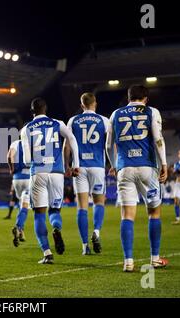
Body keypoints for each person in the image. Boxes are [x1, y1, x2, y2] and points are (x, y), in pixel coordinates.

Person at [106, 85, 169, 272]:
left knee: (127, 215)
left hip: (125, 168)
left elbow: (109, 145)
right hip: (147, 168)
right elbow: (158, 139)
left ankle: (128, 262)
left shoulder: (116, 113)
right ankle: (155, 258)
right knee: (154, 213)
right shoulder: (152, 111)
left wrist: (114, 164)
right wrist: (164, 164)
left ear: (128, 98)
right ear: (146, 98)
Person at [21, 97, 80, 264]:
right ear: (46, 109)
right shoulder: (58, 123)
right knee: (54, 211)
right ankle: (56, 228)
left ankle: (47, 253)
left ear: (32, 112)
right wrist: (75, 164)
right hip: (56, 172)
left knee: (39, 214)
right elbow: (72, 139)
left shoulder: (26, 129)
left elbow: (26, 160)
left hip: (38, 172)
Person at [66, 93, 109, 255]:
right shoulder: (104, 120)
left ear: (82, 105)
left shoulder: (73, 121)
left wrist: (67, 165)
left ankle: (85, 246)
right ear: (95, 103)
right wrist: (113, 163)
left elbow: (67, 146)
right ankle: (96, 232)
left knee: (82, 206)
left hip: (80, 168)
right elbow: (110, 144)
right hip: (97, 166)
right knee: (99, 202)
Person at [8, 138, 31, 247]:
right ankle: (18, 226)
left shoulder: (15, 143)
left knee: (21, 204)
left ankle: (21, 232)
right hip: (29, 179)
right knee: (25, 207)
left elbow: (10, 156)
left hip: (17, 179)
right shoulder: (33, 142)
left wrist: (11, 168)